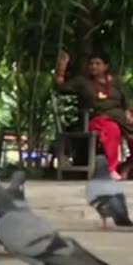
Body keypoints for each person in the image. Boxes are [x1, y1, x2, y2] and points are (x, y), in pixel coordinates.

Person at [54, 50, 133, 179]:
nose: (94, 66)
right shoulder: (82, 81)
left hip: (120, 118)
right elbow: (61, 88)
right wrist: (61, 67)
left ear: (106, 66)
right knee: (112, 128)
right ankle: (110, 169)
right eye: (91, 63)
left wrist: (128, 112)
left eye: (98, 63)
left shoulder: (116, 81)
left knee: (120, 127)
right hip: (96, 119)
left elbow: (125, 100)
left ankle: (127, 166)